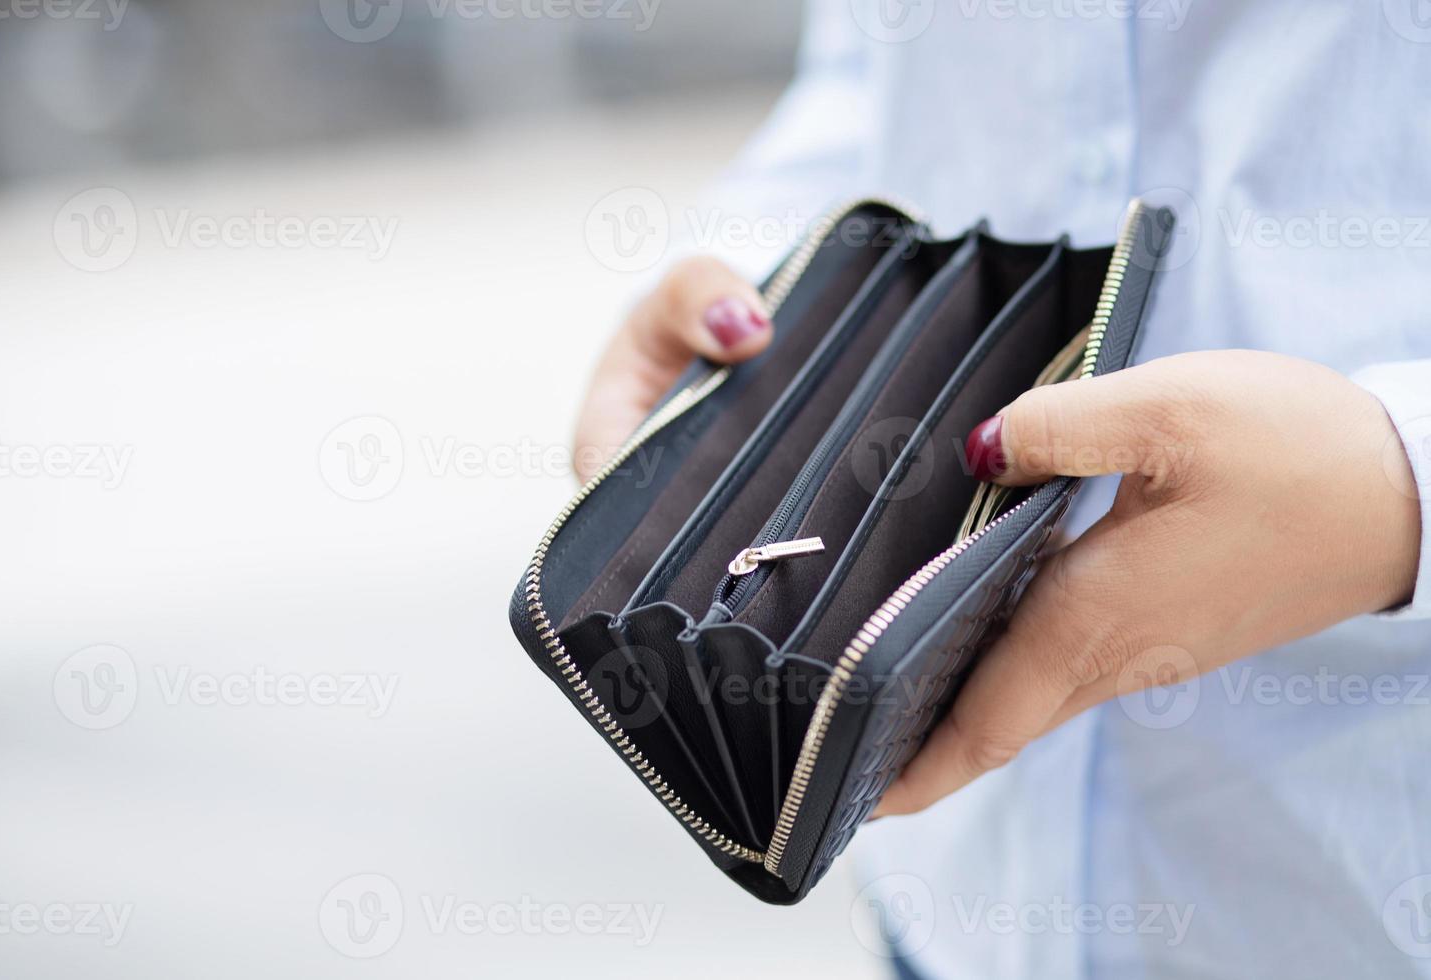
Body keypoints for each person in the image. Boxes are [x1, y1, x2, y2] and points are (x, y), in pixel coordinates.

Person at [574, 3, 1431, 976]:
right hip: (957, 908)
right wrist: (741, 280)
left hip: (1358, 887)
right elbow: (868, 73)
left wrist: (1400, 482)